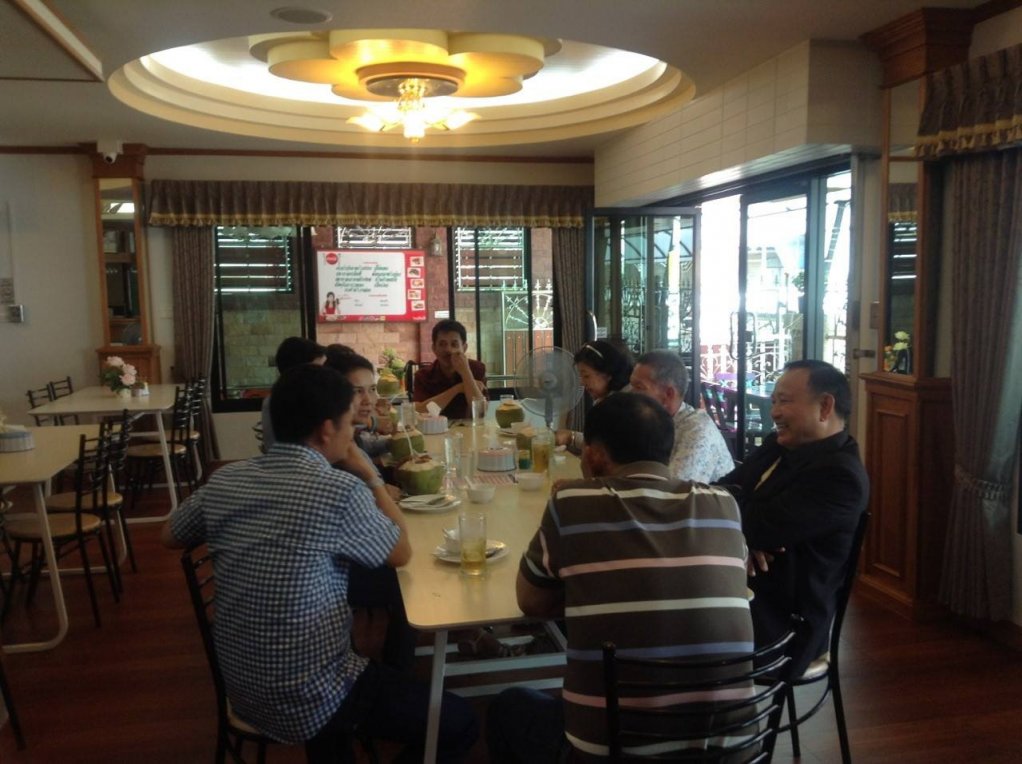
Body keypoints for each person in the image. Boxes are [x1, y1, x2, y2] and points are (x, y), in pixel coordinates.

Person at [162, 365, 477, 761]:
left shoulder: (225, 480)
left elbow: (169, 535)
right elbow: (401, 553)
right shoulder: (338, 490)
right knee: (460, 722)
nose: (353, 432)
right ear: (327, 430)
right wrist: (370, 476)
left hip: (241, 688)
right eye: (349, 421)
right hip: (312, 694)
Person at [488, 392, 753, 762]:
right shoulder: (724, 504)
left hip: (614, 750)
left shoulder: (573, 501)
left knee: (509, 706)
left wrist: (593, 589)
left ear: (594, 455)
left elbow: (531, 602)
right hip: (733, 751)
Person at [715, 359, 869, 677]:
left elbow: (755, 522)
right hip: (743, 592)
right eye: (774, 401)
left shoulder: (840, 476)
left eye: (784, 401)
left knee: (671, 630)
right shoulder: (779, 445)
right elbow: (718, 491)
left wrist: (746, 526)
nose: (774, 412)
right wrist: (745, 541)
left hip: (783, 625)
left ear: (825, 406)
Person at [629, 349, 734, 482]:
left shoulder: (697, 429)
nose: (630, 393)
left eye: (639, 387)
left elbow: (674, 489)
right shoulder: (649, 423)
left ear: (668, 394)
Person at [554, 339, 633, 452]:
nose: (582, 383)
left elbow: (607, 449)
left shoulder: (625, 407)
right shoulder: (605, 400)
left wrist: (571, 437)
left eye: (586, 376)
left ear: (607, 373)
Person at [260, 336, 326, 450]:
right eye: (317, 370)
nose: (324, 375)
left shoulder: (273, 399)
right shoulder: (298, 401)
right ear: (299, 372)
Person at [412, 319, 486, 419]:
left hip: (468, 428)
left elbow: (481, 412)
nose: (448, 350)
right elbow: (418, 411)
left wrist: (466, 372)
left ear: (464, 348)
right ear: (434, 348)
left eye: (454, 344)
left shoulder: (477, 368)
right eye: (442, 344)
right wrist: (457, 389)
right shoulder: (423, 375)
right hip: (434, 428)